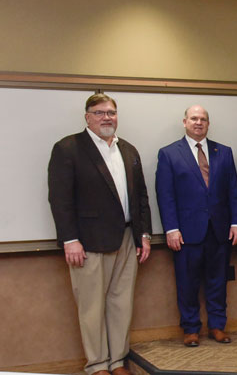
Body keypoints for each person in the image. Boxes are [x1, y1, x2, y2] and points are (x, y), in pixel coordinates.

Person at [48, 92, 152, 375]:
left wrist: (144, 235)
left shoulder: (128, 149)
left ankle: (117, 361)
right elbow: (60, 199)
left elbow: (141, 196)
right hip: (89, 242)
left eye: (111, 112)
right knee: (91, 308)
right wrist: (70, 240)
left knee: (121, 304)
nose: (106, 118)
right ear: (87, 117)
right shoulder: (68, 148)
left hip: (127, 240)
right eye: (99, 113)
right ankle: (97, 365)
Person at [155, 105, 237, 347]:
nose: (198, 122)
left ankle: (217, 326)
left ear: (208, 124)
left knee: (218, 282)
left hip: (219, 230)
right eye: (194, 118)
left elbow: (233, 191)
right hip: (186, 232)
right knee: (187, 283)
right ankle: (191, 329)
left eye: (203, 119)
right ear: (184, 122)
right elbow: (165, 195)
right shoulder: (169, 153)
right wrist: (171, 229)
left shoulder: (223, 152)